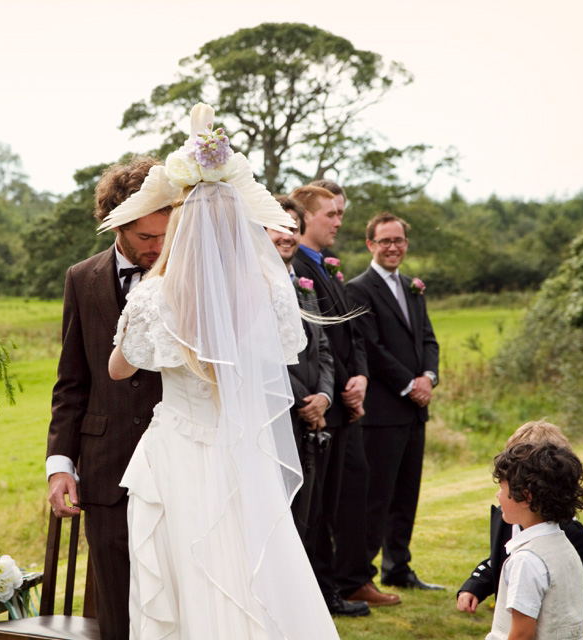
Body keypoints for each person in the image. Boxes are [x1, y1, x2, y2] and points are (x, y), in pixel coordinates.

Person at [108, 103, 339, 638]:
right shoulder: (267, 293)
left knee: (181, 581)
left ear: (180, 225)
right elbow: (279, 358)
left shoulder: (155, 295)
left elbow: (120, 369)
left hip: (176, 455)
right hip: (241, 454)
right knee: (250, 568)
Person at [45, 156, 167, 639]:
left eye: (166, 234)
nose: (158, 249)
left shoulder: (189, 276)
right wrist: (60, 464)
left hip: (176, 466)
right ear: (115, 224)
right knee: (116, 607)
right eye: (145, 238)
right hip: (106, 470)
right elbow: (72, 381)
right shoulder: (82, 278)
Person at [290, 185, 383, 614]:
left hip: (342, 398)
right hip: (325, 404)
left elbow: (351, 332)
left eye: (341, 213)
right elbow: (317, 341)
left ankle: (347, 581)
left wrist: (360, 377)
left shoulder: (325, 268)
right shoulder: (298, 268)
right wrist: (337, 392)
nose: (339, 222)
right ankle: (329, 589)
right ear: (306, 217)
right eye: (331, 214)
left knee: (346, 497)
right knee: (321, 507)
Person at [346, 212, 443, 592]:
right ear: (370, 244)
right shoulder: (359, 289)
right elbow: (372, 346)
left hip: (415, 410)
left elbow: (428, 339)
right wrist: (409, 383)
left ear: (406, 244)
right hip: (384, 411)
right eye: (384, 241)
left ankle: (398, 568)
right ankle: (361, 575)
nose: (392, 247)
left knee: (407, 493)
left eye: (398, 240)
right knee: (378, 495)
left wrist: (429, 378)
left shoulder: (413, 287)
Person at [458, 420, 583, 620]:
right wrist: (474, 585)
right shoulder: (506, 516)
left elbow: (577, 599)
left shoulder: (574, 537)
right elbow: (501, 559)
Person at [268, 195, 334, 542]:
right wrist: (304, 401)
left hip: (312, 421)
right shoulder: (254, 286)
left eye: (293, 228)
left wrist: (324, 396)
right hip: (277, 418)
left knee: (308, 518)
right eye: (278, 227)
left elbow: (322, 347)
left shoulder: (304, 286)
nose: (287, 235)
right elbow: (264, 356)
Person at [486, 442, 583, 640]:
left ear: (526, 497)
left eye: (501, 488)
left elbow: (522, 634)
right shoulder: (565, 547)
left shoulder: (526, 560)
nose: (498, 496)